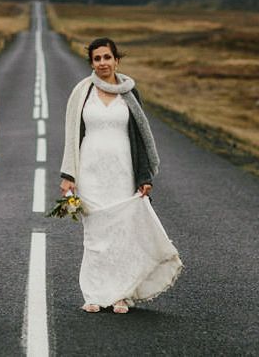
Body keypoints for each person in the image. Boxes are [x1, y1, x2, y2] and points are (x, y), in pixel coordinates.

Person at [60, 37, 182, 314]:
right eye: (97, 59)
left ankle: (120, 294)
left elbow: (140, 137)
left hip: (122, 171)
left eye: (107, 57)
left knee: (121, 235)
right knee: (95, 235)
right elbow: (72, 136)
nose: (102, 63)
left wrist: (144, 177)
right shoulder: (82, 92)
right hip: (90, 171)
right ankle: (93, 293)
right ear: (91, 63)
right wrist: (69, 175)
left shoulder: (129, 92)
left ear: (117, 60)